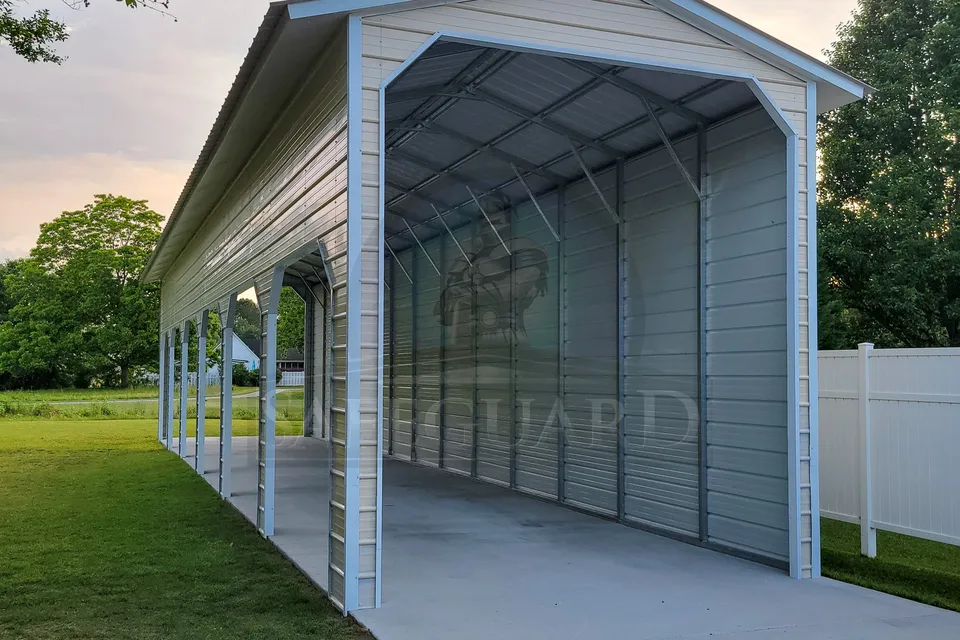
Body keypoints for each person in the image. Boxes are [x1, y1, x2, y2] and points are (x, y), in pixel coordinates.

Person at [435, 192, 549, 348]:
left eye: (495, 209)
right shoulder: (470, 254)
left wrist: (468, 293)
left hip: (505, 335)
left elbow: (515, 290)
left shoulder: (523, 247)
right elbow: (446, 305)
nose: (488, 216)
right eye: (484, 213)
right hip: (464, 339)